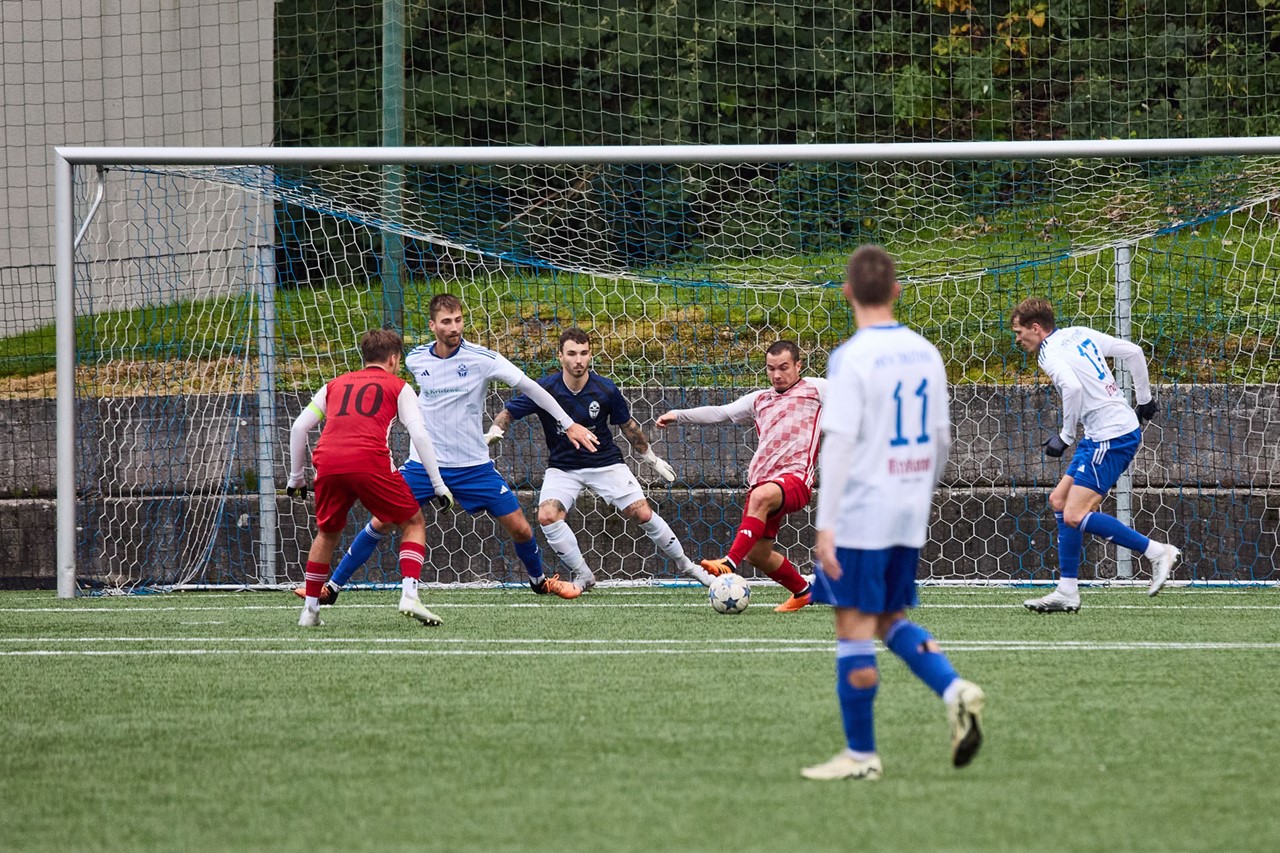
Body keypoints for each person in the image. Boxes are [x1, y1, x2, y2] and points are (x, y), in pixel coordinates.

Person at [803, 244, 984, 781]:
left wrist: (826, 525)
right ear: (897, 291)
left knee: (854, 627)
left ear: (847, 293)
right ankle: (954, 688)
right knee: (887, 617)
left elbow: (839, 443)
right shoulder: (926, 352)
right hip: (908, 509)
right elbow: (943, 438)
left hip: (862, 512)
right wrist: (919, 493)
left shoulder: (851, 356)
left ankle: (861, 756)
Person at [297, 293, 600, 602]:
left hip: (474, 467)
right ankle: (332, 587)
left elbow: (531, 388)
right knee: (380, 522)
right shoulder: (415, 359)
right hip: (423, 467)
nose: (454, 327)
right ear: (433, 326)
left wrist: (568, 423)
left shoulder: (483, 358)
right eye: (446, 322)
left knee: (520, 528)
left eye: (458, 320)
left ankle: (538, 581)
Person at [487, 327, 714, 591]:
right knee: (548, 515)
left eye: (584, 353)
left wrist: (651, 459)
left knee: (642, 513)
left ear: (590, 355)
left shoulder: (605, 389)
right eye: (572, 353)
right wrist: (495, 430)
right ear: (560, 356)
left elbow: (628, 426)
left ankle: (688, 566)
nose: (578, 360)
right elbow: (508, 412)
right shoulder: (544, 389)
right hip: (563, 467)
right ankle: (584, 575)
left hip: (605, 463)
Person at [1011, 297, 1180, 613]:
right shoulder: (1078, 333)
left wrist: (1065, 436)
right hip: (1102, 434)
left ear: (1036, 328)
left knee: (1075, 515)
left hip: (1110, 437)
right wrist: (1144, 399)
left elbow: (1073, 388)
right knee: (1059, 501)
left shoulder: (1048, 353)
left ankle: (1157, 552)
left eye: (1019, 332)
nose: (1018, 339)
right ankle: (1067, 591)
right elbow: (1134, 352)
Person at [286, 328, 455, 627]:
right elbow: (418, 434)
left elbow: (299, 427)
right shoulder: (399, 386)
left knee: (327, 533)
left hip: (328, 461)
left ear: (364, 357)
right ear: (393, 359)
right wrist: (438, 484)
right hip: (369, 461)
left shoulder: (333, 385)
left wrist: (296, 478)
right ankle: (409, 594)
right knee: (413, 522)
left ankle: (310, 611)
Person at [655, 340, 823, 613]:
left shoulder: (816, 389)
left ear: (798, 365)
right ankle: (804, 591)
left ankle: (729, 563)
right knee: (758, 554)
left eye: (783, 368)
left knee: (761, 497)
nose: (777, 375)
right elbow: (720, 413)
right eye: (771, 368)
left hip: (795, 478)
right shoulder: (760, 399)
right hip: (763, 481)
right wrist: (678, 415)